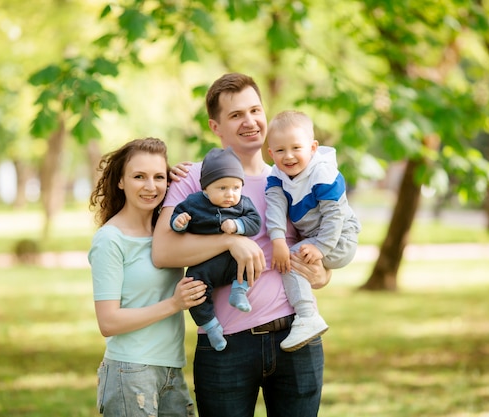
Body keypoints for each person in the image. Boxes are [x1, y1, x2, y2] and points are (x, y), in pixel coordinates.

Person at [152, 73, 331, 417]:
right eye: (235, 115)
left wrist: (321, 274)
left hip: (296, 337)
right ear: (216, 127)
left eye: (255, 110)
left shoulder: (291, 176)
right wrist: (230, 240)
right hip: (226, 347)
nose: (249, 121)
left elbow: (319, 256)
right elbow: (163, 252)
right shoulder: (193, 178)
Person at [88, 137, 207, 417]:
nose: (150, 186)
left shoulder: (168, 232)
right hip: (129, 371)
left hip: (171, 369)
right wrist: (174, 304)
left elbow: (222, 192)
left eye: (158, 177)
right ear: (120, 181)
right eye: (139, 176)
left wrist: (182, 180)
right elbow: (108, 322)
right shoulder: (110, 240)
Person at [265, 110, 361, 352]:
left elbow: (334, 216)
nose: (288, 156)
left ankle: (308, 316)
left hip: (339, 239)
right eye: (280, 150)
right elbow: (275, 207)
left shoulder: (323, 173)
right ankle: (307, 314)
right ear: (270, 152)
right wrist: (277, 240)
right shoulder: (277, 175)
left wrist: (321, 248)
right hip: (315, 239)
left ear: (313, 147)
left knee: (292, 259)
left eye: (296, 148)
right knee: (287, 253)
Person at [171, 147, 262, 351]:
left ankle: (239, 292)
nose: (230, 194)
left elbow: (255, 222)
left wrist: (237, 226)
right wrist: (180, 222)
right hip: (203, 264)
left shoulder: (243, 204)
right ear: (206, 189)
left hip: (232, 261)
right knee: (194, 290)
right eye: (222, 188)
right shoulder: (194, 203)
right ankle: (211, 327)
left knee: (251, 260)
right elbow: (177, 218)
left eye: (236, 188)